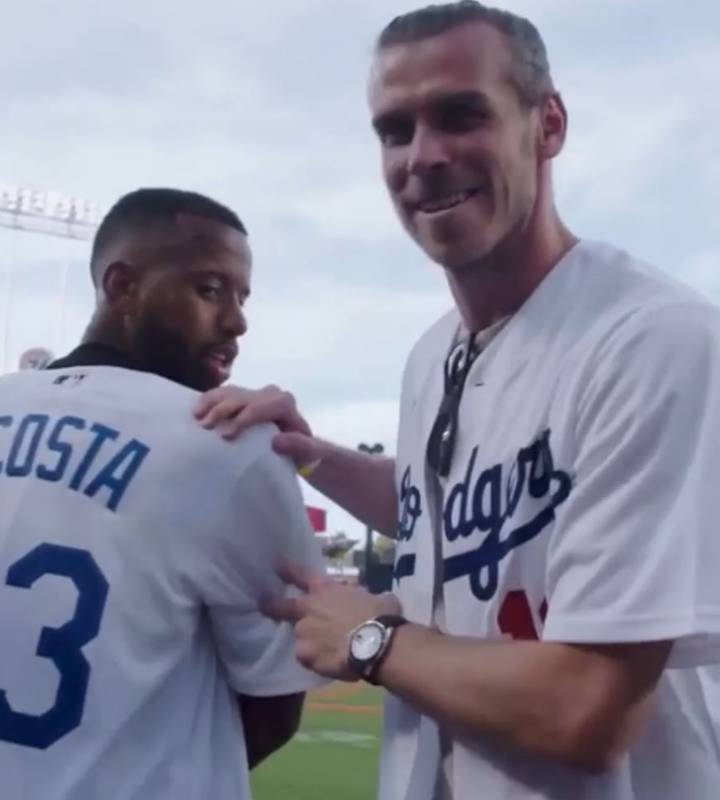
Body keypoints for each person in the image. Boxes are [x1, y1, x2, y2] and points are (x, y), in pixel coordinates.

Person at [195, 3, 720, 799]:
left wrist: (371, 639)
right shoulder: (431, 354)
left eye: (461, 115)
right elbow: (455, 518)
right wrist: (314, 457)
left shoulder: (652, 340)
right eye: (394, 130)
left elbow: (588, 711)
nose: (424, 156)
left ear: (547, 125)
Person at [0, 188, 322, 800]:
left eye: (242, 296)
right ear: (121, 287)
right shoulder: (233, 449)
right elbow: (272, 707)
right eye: (210, 290)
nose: (237, 321)